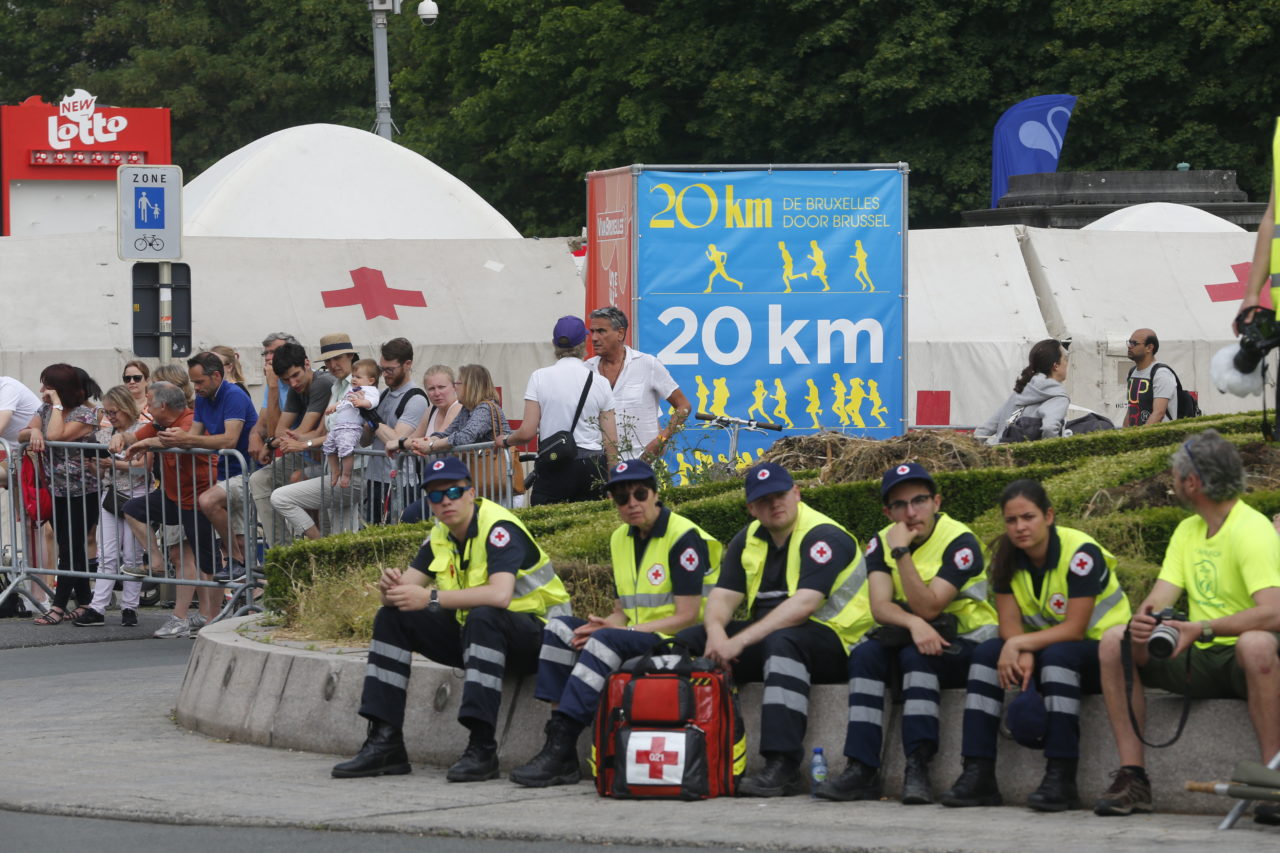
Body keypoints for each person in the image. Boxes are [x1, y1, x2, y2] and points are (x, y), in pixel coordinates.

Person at [331, 457, 571, 782]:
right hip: (481, 637)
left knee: (484, 615)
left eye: (455, 491)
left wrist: (430, 598)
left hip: (539, 640)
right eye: (435, 495)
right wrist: (389, 591)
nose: (446, 501)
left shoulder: (498, 528)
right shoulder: (440, 535)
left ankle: (481, 748)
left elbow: (500, 595)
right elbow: (407, 591)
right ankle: (385, 741)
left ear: (471, 493)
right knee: (393, 616)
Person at [1092, 430, 1280, 822]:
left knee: (1257, 643)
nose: (1172, 483)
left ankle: (1273, 785)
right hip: (1195, 655)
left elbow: (1274, 611)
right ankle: (1133, 778)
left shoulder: (1253, 529)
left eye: (1175, 476)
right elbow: (1159, 598)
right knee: (1115, 641)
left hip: (1240, 659)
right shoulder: (1186, 531)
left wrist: (1203, 628)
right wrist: (1143, 622)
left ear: (1192, 483)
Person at [509, 458, 722, 787]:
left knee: (606, 640)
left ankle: (561, 742)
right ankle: (560, 752)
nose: (632, 504)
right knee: (561, 629)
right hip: (638, 636)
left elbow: (687, 615)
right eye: (622, 498)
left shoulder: (683, 538)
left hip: (682, 640)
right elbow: (622, 610)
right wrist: (604, 623)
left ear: (654, 493)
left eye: (639, 494)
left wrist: (619, 631)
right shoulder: (620, 539)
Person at [674, 462, 873, 797]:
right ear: (752, 508)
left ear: (796, 493)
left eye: (780, 495)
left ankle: (783, 765)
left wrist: (739, 642)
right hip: (777, 639)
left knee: (783, 641)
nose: (774, 504)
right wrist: (717, 635)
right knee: (687, 641)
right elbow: (721, 598)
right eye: (764, 500)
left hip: (838, 642)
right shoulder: (747, 539)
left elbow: (804, 606)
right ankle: (690, 750)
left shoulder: (824, 536)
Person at [939, 479, 1132, 811]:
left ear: (1049, 516)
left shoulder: (1080, 553)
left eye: (1028, 517)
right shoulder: (1005, 559)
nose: (1019, 527)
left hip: (1102, 650)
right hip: (1049, 646)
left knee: (1056, 657)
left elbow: (1074, 628)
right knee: (986, 654)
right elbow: (1009, 624)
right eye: (1011, 520)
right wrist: (1021, 648)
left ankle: (1061, 776)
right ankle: (978, 772)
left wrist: (1022, 645)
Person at [816, 463, 997, 804]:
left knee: (919, 656)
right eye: (899, 505)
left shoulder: (960, 541)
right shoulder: (880, 543)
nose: (911, 512)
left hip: (969, 642)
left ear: (937, 502)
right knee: (865, 655)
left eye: (919, 501)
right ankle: (862, 768)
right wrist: (914, 624)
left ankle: (918, 766)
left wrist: (901, 554)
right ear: (888, 511)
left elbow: (930, 606)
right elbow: (880, 607)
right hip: (914, 635)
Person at [116, 381, 220, 639]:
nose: (147, 407)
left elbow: (176, 440)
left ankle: (211, 619)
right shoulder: (159, 423)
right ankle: (156, 561)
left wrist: (147, 442)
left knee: (207, 562)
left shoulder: (190, 419)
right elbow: (136, 435)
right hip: (173, 497)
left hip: (198, 499)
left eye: (150, 403)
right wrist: (121, 437)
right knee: (132, 509)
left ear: (162, 405)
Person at [499, 316, 619, 505]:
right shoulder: (600, 383)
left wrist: (505, 440)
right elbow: (611, 441)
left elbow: (527, 432)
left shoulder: (539, 377)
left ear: (554, 343)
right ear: (584, 342)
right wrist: (614, 481)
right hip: (593, 466)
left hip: (555, 464)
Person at [162, 352, 258, 583]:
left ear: (216, 376)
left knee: (207, 501)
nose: (195, 388)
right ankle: (244, 583)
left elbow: (228, 440)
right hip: (226, 473)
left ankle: (238, 563)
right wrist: (166, 438)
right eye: (193, 382)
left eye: (199, 382)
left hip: (248, 472)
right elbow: (192, 437)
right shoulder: (204, 397)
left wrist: (185, 439)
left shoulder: (234, 395)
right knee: (239, 541)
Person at [266, 336, 366, 541]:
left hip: (355, 473)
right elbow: (321, 431)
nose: (332, 365)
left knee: (281, 497)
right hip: (337, 472)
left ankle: (317, 549)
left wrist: (304, 443)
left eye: (337, 358)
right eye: (328, 361)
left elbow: (338, 434)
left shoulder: (356, 388)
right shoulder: (337, 387)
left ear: (350, 356)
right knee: (343, 538)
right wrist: (299, 439)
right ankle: (323, 552)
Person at [29, 364, 103, 625]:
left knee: (71, 549)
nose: (41, 391)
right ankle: (85, 602)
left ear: (60, 390)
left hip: (84, 491)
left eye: (47, 386)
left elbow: (56, 434)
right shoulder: (45, 410)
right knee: (69, 546)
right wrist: (35, 430)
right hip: (57, 490)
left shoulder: (87, 415)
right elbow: (23, 432)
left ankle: (58, 606)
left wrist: (56, 408)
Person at [78, 385, 152, 627]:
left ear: (127, 408)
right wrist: (95, 466)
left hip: (138, 495)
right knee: (106, 553)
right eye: (107, 413)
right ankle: (98, 607)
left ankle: (130, 607)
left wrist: (111, 464)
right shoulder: (104, 433)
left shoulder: (142, 431)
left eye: (114, 412)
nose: (110, 417)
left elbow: (143, 466)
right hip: (111, 495)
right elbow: (100, 465)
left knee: (132, 554)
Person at [404, 364, 508, 522]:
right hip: (482, 485)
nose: (455, 386)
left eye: (458, 383)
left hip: (495, 487)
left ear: (470, 386)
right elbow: (446, 433)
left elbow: (465, 437)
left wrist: (430, 446)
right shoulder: (467, 409)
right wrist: (421, 443)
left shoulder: (484, 408)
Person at [585, 306, 691, 460]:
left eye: (601, 331)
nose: (594, 338)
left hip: (642, 463)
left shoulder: (647, 364)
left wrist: (661, 440)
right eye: (592, 331)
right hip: (598, 464)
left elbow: (684, 406)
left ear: (620, 333)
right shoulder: (586, 369)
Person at [363, 338, 428, 523]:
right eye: (382, 369)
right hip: (375, 478)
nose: (385, 374)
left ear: (407, 365)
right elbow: (364, 441)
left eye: (390, 369)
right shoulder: (384, 394)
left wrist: (372, 418)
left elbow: (397, 441)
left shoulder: (415, 398)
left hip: (401, 482)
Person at [974, 339, 1071, 444]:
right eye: (1065, 359)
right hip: (1025, 457)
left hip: (1000, 453)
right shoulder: (1058, 397)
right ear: (1056, 366)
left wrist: (969, 448)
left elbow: (987, 427)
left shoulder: (1023, 389)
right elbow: (1049, 428)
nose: (1067, 363)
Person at [323, 359, 380, 489]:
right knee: (328, 447)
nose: (354, 379)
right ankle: (335, 470)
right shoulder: (352, 390)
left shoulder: (370, 390)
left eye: (358, 377)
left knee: (346, 450)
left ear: (371, 380)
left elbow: (373, 402)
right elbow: (344, 401)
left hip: (351, 427)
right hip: (339, 426)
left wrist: (362, 403)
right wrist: (334, 407)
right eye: (353, 376)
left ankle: (346, 474)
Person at [1123, 329, 1180, 425]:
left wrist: (1139, 437)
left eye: (1134, 343)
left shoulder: (1161, 374)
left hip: (1156, 437)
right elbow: (1131, 408)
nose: (1129, 346)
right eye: (1129, 342)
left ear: (1149, 348)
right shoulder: (1132, 372)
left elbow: (1159, 413)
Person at [405, 364, 463, 448]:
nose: (437, 393)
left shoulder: (458, 406)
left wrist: (400, 444)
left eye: (441, 387)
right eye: (431, 389)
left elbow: (437, 438)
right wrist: (401, 443)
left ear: (454, 387)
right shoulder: (431, 410)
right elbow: (414, 438)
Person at [119, 360, 152, 424]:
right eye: (127, 378)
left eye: (137, 378)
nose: (132, 382)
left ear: (147, 381)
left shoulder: (157, 405)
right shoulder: (116, 405)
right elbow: (105, 431)